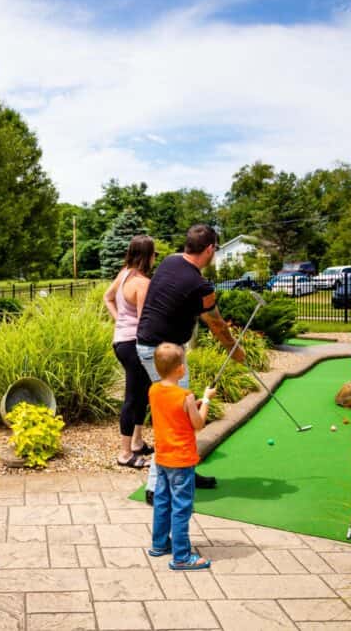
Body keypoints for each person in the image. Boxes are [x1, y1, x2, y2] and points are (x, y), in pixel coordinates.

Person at [137, 224, 244, 501]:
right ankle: (154, 488)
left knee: (174, 414)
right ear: (209, 249)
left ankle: (187, 469)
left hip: (150, 346)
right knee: (177, 418)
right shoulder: (201, 286)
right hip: (164, 353)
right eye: (215, 250)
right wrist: (234, 349)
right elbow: (216, 323)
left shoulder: (171, 261)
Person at [146, 342, 215, 570]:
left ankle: (158, 544)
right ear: (179, 369)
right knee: (181, 506)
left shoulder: (153, 390)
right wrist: (205, 400)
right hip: (182, 459)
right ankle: (182, 557)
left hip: (163, 458)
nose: (184, 366)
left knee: (162, 501)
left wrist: (191, 406)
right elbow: (198, 424)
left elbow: (173, 414)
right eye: (183, 363)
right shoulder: (186, 395)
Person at [104, 234, 156, 468]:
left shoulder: (124, 273)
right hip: (134, 345)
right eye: (154, 253)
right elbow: (146, 323)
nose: (155, 258)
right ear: (147, 256)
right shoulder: (143, 284)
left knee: (142, 393)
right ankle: (125, 454)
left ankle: (137, 442)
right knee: (133, 397)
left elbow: (108, 298)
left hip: (121, 342)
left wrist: (120, 322)